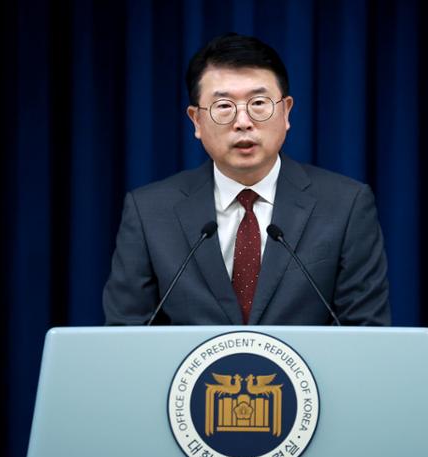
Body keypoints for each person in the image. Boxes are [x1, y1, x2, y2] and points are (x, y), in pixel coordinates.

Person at [103, 33, 390, 326]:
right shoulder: (149, 212)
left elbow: (366, 336)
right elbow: (125, 337)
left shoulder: (346, 206)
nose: (243, 122)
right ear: (196, 121)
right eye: (224, 106)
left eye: (259, 103)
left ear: (286, 111)